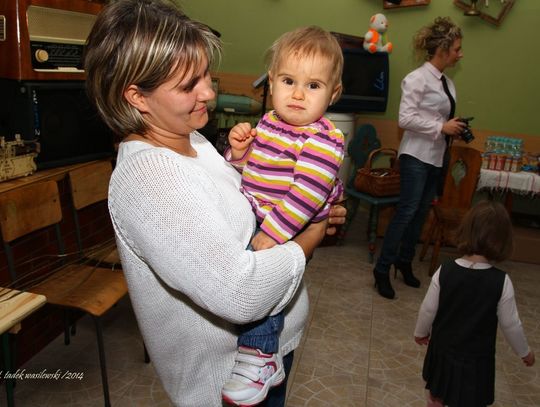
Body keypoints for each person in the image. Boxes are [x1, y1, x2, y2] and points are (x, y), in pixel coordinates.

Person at [83, 1, 346, 406]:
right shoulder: (149, 178)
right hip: (224, 383)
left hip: (272, 352)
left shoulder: (190, 137)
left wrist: (304, 205)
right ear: (137, 96)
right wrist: (310, 233)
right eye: (189, 85)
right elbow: (242, 294)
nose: (208, 92)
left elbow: (240, 197)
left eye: (206, 74)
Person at [222, 26, 344, 406]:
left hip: (288, 224)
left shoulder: (324, 139)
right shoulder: (269, 123)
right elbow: (250, 172)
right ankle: (261, 354)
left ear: (333, 94)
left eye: (313, 86)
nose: (297, 94)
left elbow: (306, 196)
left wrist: (273, 234)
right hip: (265, 215)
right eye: (289, 81)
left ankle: (259, 354)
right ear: (271, 81)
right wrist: (239, 153)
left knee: (263, 279)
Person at [373, 17, 468, 299]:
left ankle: (404, 261)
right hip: (415, 155)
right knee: (407, 212)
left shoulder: (447, 83)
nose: (460, 54)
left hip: (436, 156)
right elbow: (405, 119)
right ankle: (382, 269)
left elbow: (438, 118)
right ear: (443, 50)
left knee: (420, 214)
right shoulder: (417, 79)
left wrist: (454, 128)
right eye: (457, 49)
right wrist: (441, 127)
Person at [414, 201, 535, 407]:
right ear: (503, 241)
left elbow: (428, 309)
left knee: (437, 394)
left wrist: (420, 332)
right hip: (475, 361)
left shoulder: (445, 270)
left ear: (466, 230)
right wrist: (524, 352)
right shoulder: (501, 282)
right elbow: (511, 324)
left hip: (442, 352)